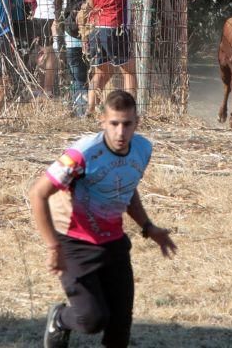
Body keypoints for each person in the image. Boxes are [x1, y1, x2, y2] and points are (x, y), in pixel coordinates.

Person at [30, 90, 177, 348]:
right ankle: (60, 319)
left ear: (137, 122)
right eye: (114, 124)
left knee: (120, 329)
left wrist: (148, 226)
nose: (121, 132)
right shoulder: (82, 154)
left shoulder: (143, 149)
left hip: (114, 243)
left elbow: (126, 190)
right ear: (102, 122)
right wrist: (54, 247)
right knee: (92, 319)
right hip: (75, 244)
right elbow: (38, 194)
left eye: (127, 124)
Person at [84, 0, 163, 116]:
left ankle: (89, 109)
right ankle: (131, 110)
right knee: (129, 70)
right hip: (115, 28)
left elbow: (92, 2)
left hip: (96, 29)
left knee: (101, 73)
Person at [62, 0, 104, 116]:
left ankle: (82, 108)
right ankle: (80, 110)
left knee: (89, 72)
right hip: (74, 32)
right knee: (79, 73)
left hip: (88, 33)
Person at [31, 0, 60, 96]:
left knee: (45, 52)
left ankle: (43, 88)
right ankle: (46, 89)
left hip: (46, 14)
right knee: (49, 53)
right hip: (46, 14)